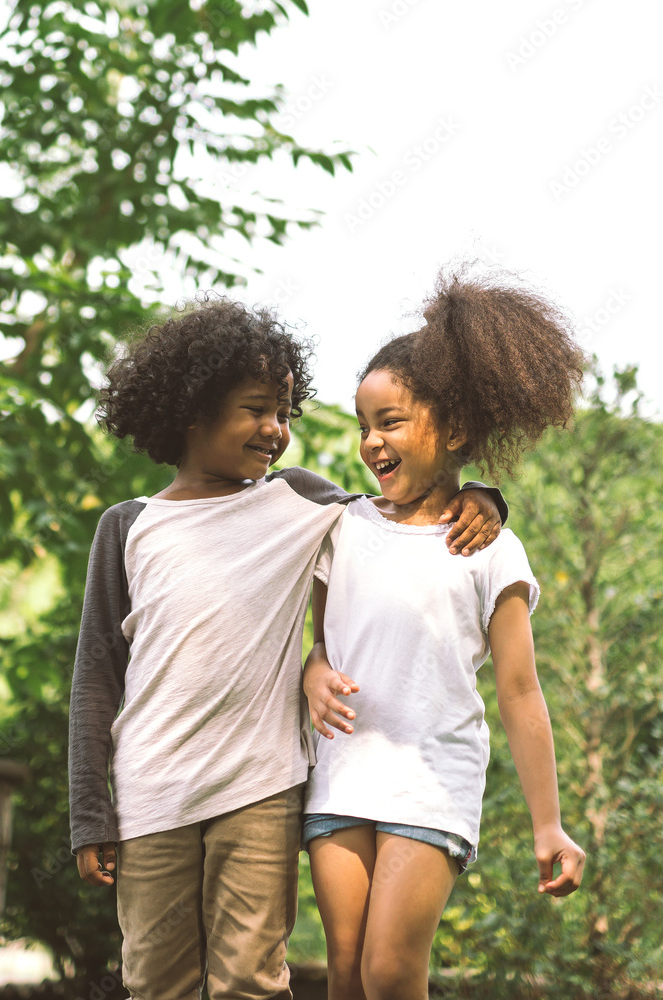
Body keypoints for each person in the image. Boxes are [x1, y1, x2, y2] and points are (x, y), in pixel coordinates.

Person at [67, 295, 508, 1000]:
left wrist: (483, 496)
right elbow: (96, 679)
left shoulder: (302, 501)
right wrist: (91, 811)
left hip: (261, 790)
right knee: (157, 983)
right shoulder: (128, 528)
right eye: (256, 409)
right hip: (152, 794)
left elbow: (404, 507)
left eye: (284, 413)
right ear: (191, 409)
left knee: (250, 979)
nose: (275, 429)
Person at [303, 267, 589, 1000]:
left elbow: (521, 694)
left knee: (391, 971)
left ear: (454, 430)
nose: (371, 441)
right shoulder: (339, 525)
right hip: (340, 773)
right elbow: (319, 638)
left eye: (390, 422)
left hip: (434, 780)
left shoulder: (491, 545)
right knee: (343, 973)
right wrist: (312, 668)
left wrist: (547, 826)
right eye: (363, 425)